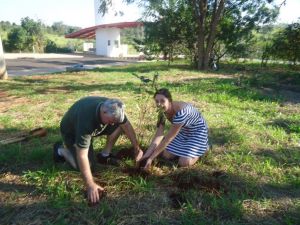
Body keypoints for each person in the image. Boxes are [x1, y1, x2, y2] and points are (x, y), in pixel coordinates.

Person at [53, 96, 143, 204]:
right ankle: (61, 150)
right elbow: (82, 156)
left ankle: (105, 155)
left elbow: (126, 125)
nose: (113, 123)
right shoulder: (86, 121)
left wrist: (137, 148)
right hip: (72, 132)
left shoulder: (114, 109)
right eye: (111, 121)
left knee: (121, 126)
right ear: (103, 111)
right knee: (86, 167)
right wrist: (90, 184)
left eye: (114, 121)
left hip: (92, 126)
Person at [139, 88, 208, 170]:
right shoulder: (162, 112)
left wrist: (151, 158)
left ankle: (204, 148)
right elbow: (159, 135)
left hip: (197, 132)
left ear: (169, 100)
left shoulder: (181, 112)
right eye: (157, 101)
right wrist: (147, 155)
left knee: (184, 163)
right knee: (166, 155)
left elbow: (168, 138)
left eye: (162, 101)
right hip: (183, 130)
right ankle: (185, 149)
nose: (159, 104)